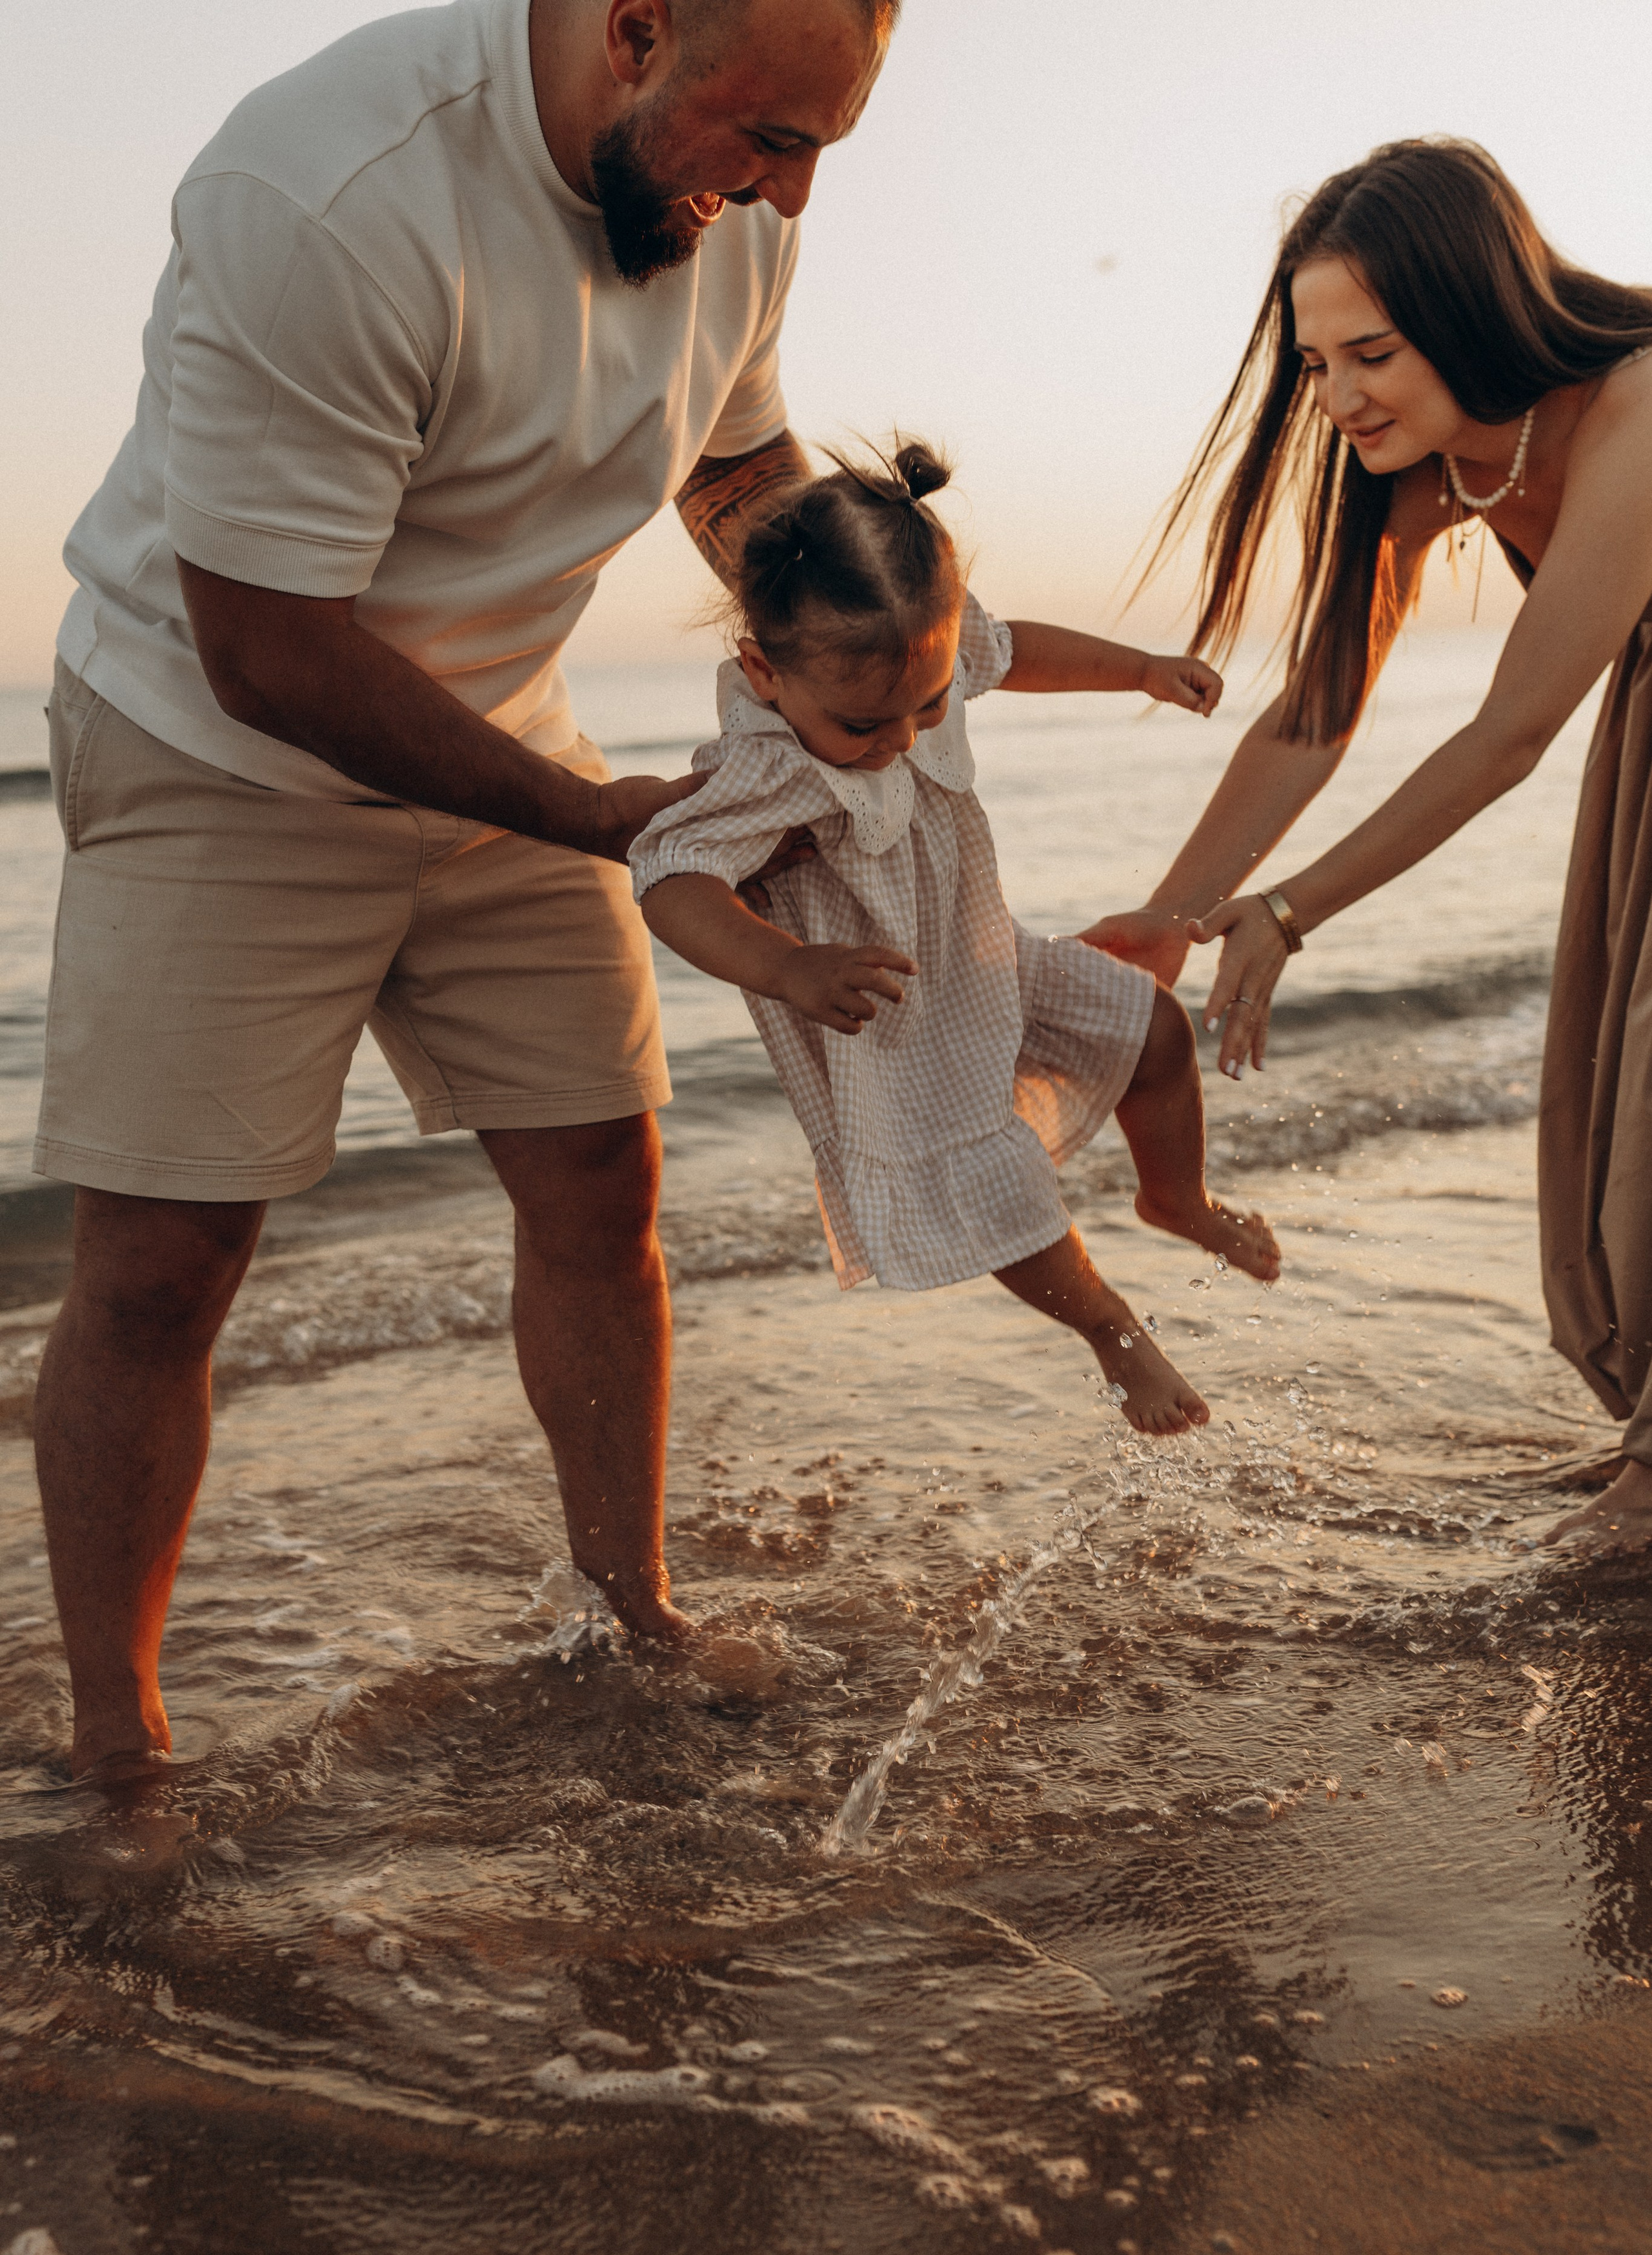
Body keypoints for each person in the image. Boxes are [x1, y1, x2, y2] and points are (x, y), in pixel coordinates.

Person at [35, 0, 898, 1783]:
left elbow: (739, 474)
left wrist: (858, 638)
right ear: (637, 29)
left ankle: (631, 1613)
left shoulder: (723, 209)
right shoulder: (328, 189)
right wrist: (607, 822)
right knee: (164, 1260)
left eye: (823, 146)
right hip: (223, 746)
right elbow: (269, 648)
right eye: (772, 139)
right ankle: (120, 1742)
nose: (794, 199)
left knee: (601, 1174)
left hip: (510, 731)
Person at [1087, 139, 1652, 1552]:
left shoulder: (1639, 410)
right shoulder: (1407, 474)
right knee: (1620, 1104)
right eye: (1313, 363)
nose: (1335, 398)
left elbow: (1512, 727)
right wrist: (1174, 917)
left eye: (1372, 354)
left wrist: (1289, 913)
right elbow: (1313, 715)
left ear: (1466, 308)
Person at [628, 440, 1280, 1433]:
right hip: (892, 1022)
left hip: (985, 958)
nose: (900, 739)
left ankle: (1177, 1200)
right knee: (993, 1182)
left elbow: (1012, 650)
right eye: (863, 727)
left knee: (1150, 1028)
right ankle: (1111, 1332)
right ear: (764, 673)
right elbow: (672, 878)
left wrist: (1140, 669)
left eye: (928, 706)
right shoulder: (765, 769)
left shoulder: (923, 653)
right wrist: (787, 966)